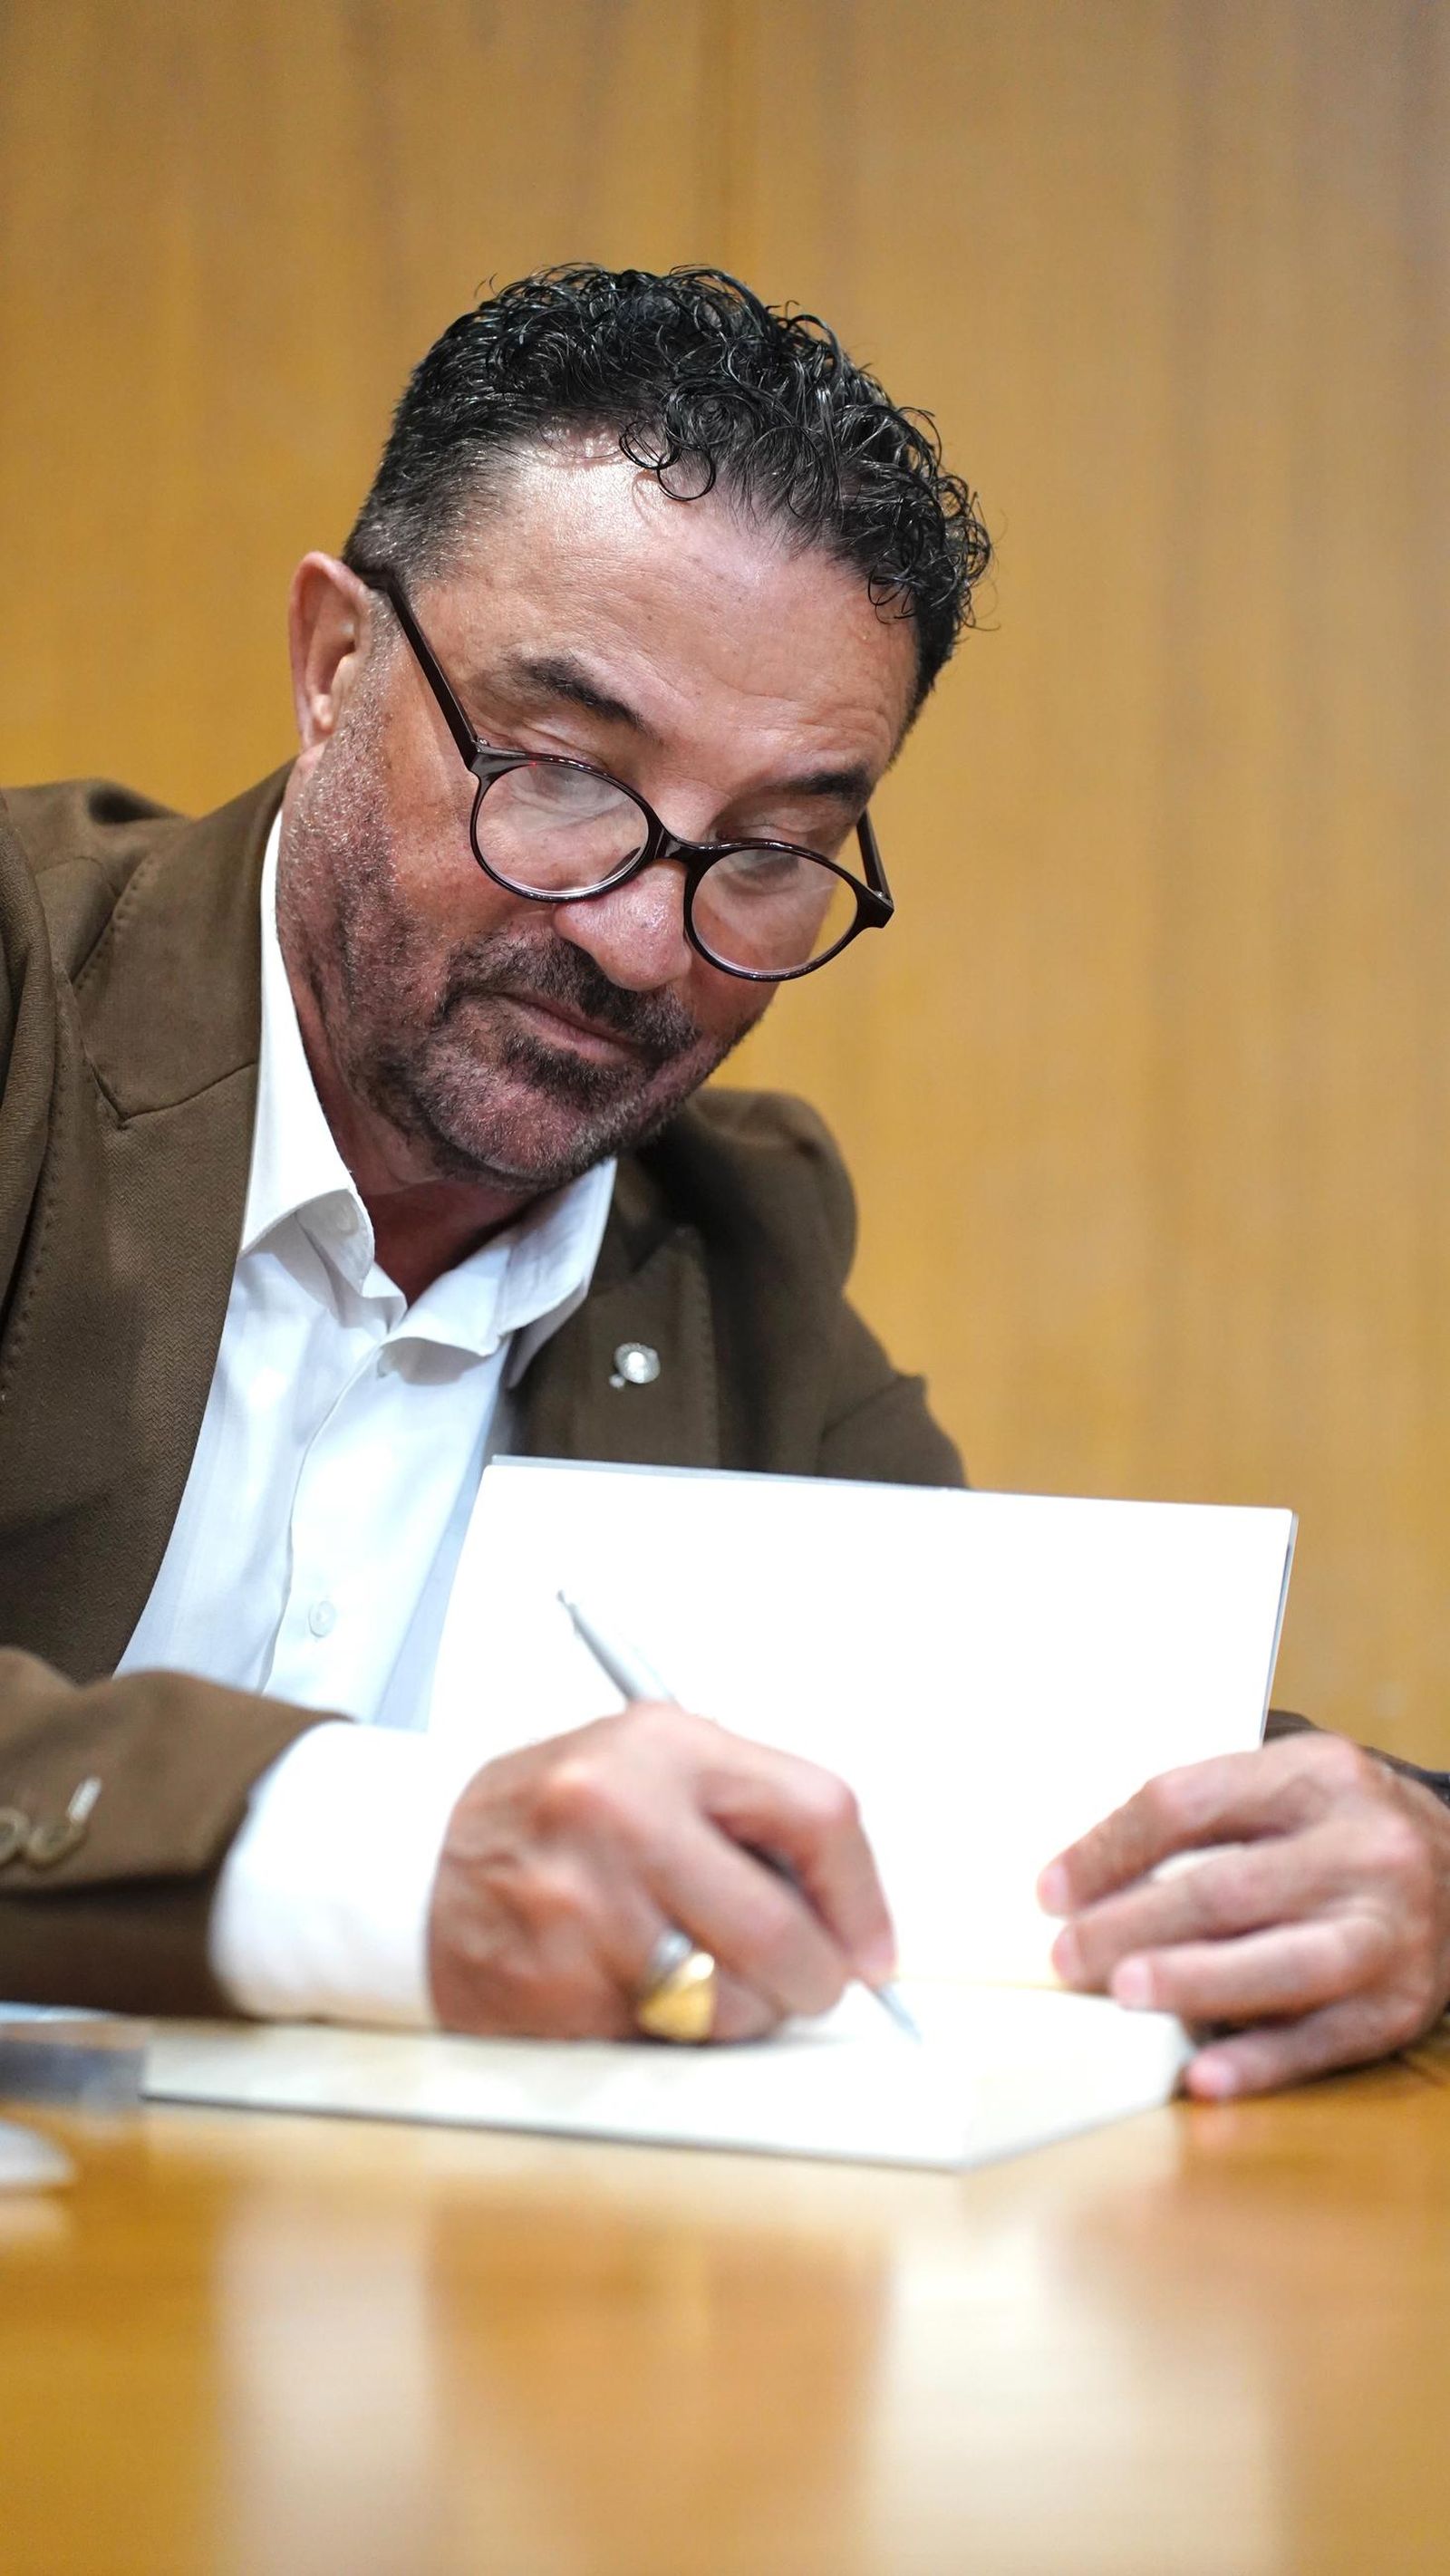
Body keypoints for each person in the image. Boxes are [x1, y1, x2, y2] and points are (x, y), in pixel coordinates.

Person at [2, 265, 1445, 2093]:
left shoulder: (726, 1237)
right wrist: (385, 1862)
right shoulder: (20, 1006)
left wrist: (1395, 1870)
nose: (634, 941)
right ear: (334, 665)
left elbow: (1029, 1788)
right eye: (561, 770)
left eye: (771, 852)